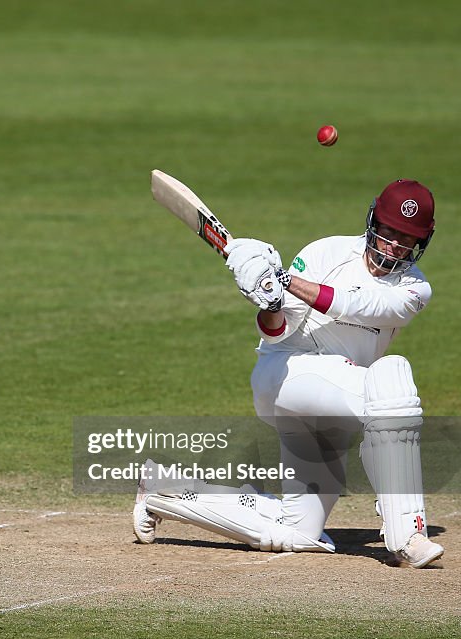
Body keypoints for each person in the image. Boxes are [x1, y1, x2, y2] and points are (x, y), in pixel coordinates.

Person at [133, 179, 445, 568]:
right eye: (388, 231)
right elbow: (277, 328)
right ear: (372, 222)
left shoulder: (414, 288)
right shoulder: (326, 252)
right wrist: (268, 300)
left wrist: (283, 279)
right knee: (393, 376)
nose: (394, 245)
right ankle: (409, 536)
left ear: (422, 241)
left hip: (336, 399)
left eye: (406, 239)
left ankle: (164, 490)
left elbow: (357, 304)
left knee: (299, 531)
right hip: (287, 376)